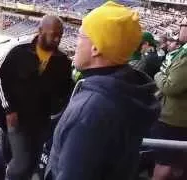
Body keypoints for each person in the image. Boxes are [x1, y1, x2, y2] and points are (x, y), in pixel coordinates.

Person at [46, 2, 160, 180]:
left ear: (96, 47)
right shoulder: (128, 88)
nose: (75, 42)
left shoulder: (90, 111)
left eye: (80, 35)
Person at [0, 15, 72, 179]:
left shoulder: (63, 60)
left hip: (42, 123)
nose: (57, 39)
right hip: (17, 120)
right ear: (40, 31)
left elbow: (65, 91)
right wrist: (9, 109)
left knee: (32, 164)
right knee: (20, 163)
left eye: (60, 34)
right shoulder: (18, 51)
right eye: (53, 34)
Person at [152, 18, 187, 180]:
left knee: (165, 163)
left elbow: (170, 86)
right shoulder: (182, 52)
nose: (180, 27)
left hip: (175, 119)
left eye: (183, 24)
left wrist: (159, 74)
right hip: (176, 116)